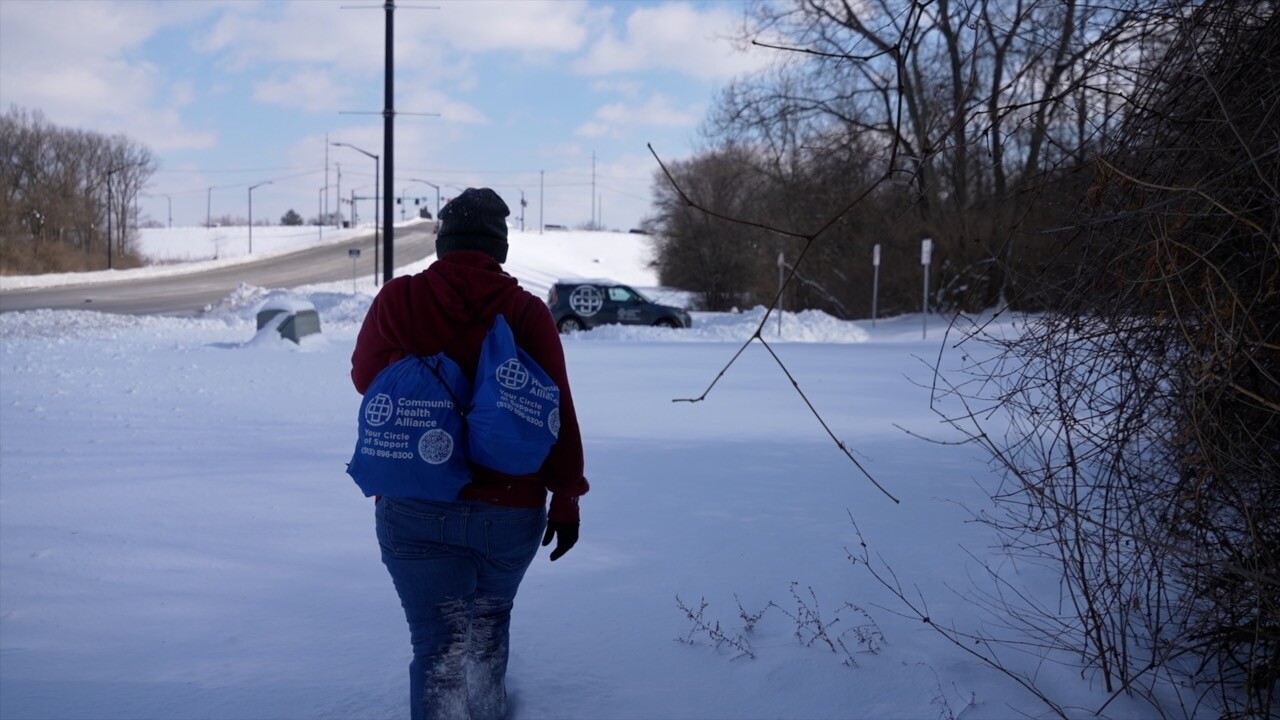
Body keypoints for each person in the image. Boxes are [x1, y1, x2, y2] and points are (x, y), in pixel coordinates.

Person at [350, 187, 588, 720]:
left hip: (414, 505)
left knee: (438, 647)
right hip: (509, 510)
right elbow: (558, 411)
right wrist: (568, 497)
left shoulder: (399, 299)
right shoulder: (525, 311)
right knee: (485, 634)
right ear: (499, 248)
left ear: (442, 244)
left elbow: (366, 378)